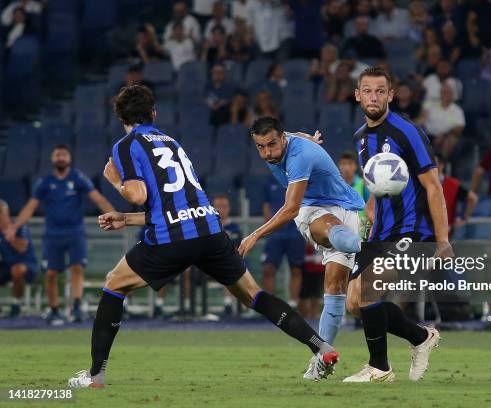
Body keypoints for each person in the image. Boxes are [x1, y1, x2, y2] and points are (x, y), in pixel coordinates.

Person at [67, 85, 339, 389]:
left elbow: (138, 193)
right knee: (255, 295)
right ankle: (321, 347)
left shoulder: (126, 144)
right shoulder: (171, 142)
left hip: (172, 237)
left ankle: (95, 376)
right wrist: (127, 219)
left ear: (121, 118)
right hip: (209, 231)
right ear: (153, 113)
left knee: (114, 286)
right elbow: (178, 203)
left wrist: (116, 181)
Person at [344, 67, 450, 383]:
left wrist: (442, 240)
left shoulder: (407, 132)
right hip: (380, 233)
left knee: (367, 289)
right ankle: (420, 337)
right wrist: (369, 213)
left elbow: (433, 186)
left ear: (391, 95)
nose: (373, 96)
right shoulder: (360, 139)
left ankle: (379, 368)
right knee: (354, 303)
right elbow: (379, 187)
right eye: (367, 90)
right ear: (357, 95)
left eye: (380, 91)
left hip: (414, 231)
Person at [240, 118, 364, 380]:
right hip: (326, 209)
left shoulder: (298, 158)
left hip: (335, 207)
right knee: (333, 281)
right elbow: (293, 134)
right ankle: (321, 359)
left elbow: (291, 209)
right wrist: (308, 136)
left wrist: (255, 234)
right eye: (260, 147)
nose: (267, 153)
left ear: (282, 139)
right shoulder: (283, 142)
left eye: (271, 145)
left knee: (338, 288)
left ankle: (366, 244)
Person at [6, 145, 115, 325]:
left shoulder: (78, 178)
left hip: (75, 231)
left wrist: (115, 215)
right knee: (50, 273)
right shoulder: (45, 182)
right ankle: (54, 309)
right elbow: (31, 207)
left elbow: (98, 198)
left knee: (77, 268)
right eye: (58, 155)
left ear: (69, 158)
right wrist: (14, 227)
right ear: (52, 159)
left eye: (64, 155)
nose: (61, 158)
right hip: (52, 234)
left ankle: (77, 307)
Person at [261, 176, 305, 310]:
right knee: (268, 268)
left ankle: (293, 305)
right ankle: (270, 307)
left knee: (296, 269)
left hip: (295, 231)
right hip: (276, 232)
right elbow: (266, 205)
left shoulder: (299, 177)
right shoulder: (271, 180)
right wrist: (269, 224)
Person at [0, 200, 37, 318]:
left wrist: (10, 237)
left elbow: (22, 247)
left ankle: (16, 303)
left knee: (17, 270)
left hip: (26, 265)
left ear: (7, 213)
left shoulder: (19, 227)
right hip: (5, 265)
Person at [213, 194, 244, 317]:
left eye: (224, 206)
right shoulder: (208, 226)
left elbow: (238, 249)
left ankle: (229, 305)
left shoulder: (235, 228)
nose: (221, 209)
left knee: (230, 265)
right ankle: (188, 305)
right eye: (218, 206)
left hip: (227, 262)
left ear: (229, 208)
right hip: (208, 263)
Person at [436, 156, 478, 237]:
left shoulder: (452, 184)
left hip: (446, 234)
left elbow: (473, 198)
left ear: (442, 165)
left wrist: (464, 218)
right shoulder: (421, 184)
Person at [422, 82, 465, 159]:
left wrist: (444, 135)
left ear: (452, 95)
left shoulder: (457, 110)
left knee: (450, 140)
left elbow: (459, 129)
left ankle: (442, 165)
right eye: (443, 92)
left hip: (447, 136)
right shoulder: (430, 106)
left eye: (448, 92)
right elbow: (422, 121)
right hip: (429, 135)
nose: (445, 94)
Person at [299, 244, 325, 319]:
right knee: (304, 294)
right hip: (306, 269)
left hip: (319, 269)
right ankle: (306, 315)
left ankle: (313, 314)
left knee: (316, 293)